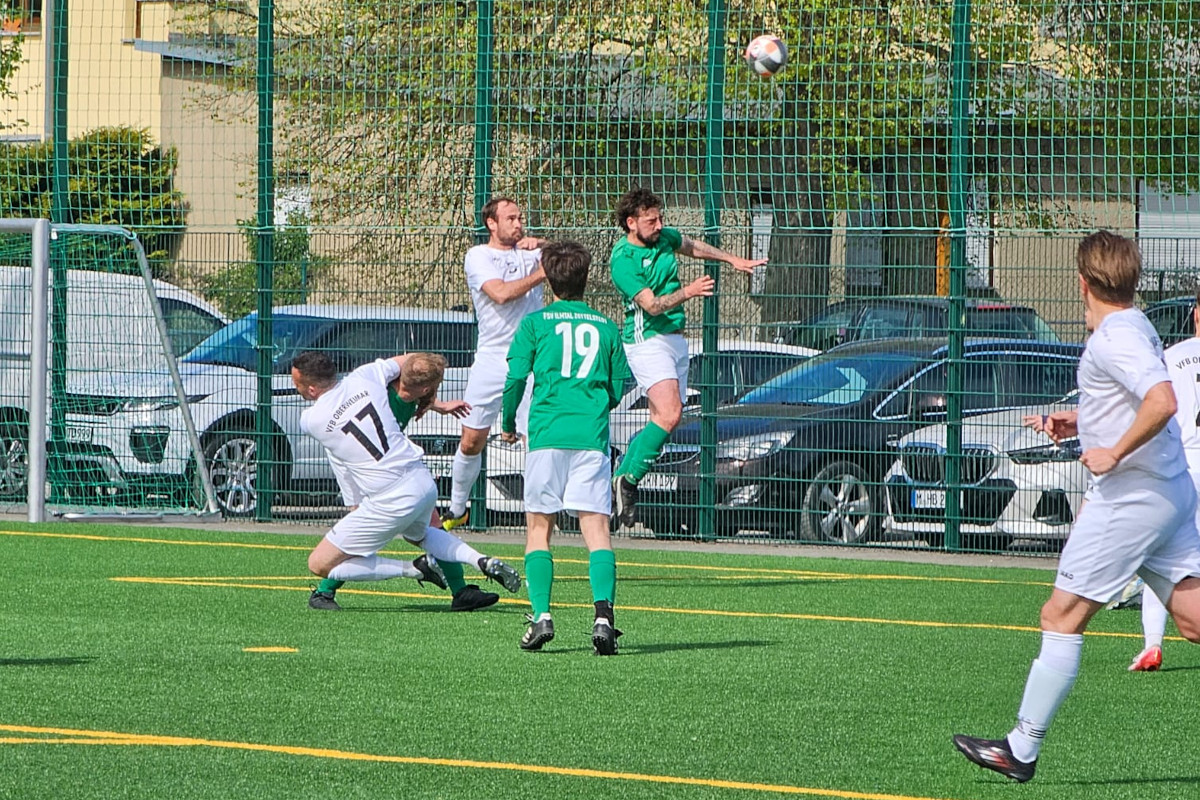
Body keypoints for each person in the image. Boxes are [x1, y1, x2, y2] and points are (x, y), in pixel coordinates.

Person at [953, 230, 1200, 783]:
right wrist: (1081, 422)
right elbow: (1135, 397)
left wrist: (1112, 449)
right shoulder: (1135, 323)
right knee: (1192, 622)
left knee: (1060, 617)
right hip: (1169, 493)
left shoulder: (1114, 337)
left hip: (1132, 502)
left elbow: (1162, 400)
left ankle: (1021, 747)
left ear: (1082, 282)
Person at [292, 350, 521, 611]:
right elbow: (412, 363)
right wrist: (433, 398)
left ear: (311, 390)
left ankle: (415, 569)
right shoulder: (366, 377)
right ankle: (479, 561)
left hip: (386, 493)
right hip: (419, 478)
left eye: (296, 384)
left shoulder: (310, 420)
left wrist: (430, 397)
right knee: (425, 532)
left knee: (320, 563)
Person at [500, 241, 631, 654]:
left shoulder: (534, 325)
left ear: (548, 278)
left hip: (546, 436)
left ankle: (542, 616)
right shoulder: (607, 327)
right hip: (590, 440)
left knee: (540, 528)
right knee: (597, 531)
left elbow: (516, 380)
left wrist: (507, 423)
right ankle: (604, 618)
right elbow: (616, 388)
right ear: (585, 277)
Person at [607, 187, 765, 526]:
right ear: (631, 223)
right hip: (647, 341)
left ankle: (619, 481)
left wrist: (731, 259)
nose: (659, 224)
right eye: (651, 220)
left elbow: (691, 245)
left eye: (661, 217)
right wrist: (690, 291)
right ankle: (629, 480)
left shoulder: (663, 238)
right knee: (670, 413)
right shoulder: (623, 259)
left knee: (665, 419)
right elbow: (651, 305)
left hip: (674, 340)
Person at [443, 197, 547, 531]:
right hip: (492, 358)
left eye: (520, 218)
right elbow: (500, 294)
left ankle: (538, 512)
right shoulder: (478, 256)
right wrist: (541, 273)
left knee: (537, 437)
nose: (518, 224)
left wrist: (544, 244)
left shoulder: (532, 252)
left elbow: (574, 254)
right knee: (472, 438)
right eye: (511, 218)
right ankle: (458, 507)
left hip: (532, 358)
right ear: (492, 223)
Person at [1125, 287, 1200, 670]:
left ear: (1195, 314)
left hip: (1182, 468)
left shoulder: (1173, 357)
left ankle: (1153, 642)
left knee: (1165, 560)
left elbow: (1152, 409)